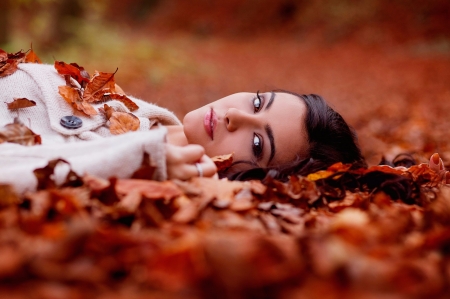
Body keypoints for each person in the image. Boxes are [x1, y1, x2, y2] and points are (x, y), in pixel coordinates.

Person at [0, 59, 372, 193]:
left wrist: (138, 159)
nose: (235, 116)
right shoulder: (123, 108)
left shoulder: (129, 174)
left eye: (257, 144)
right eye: (258, 102)